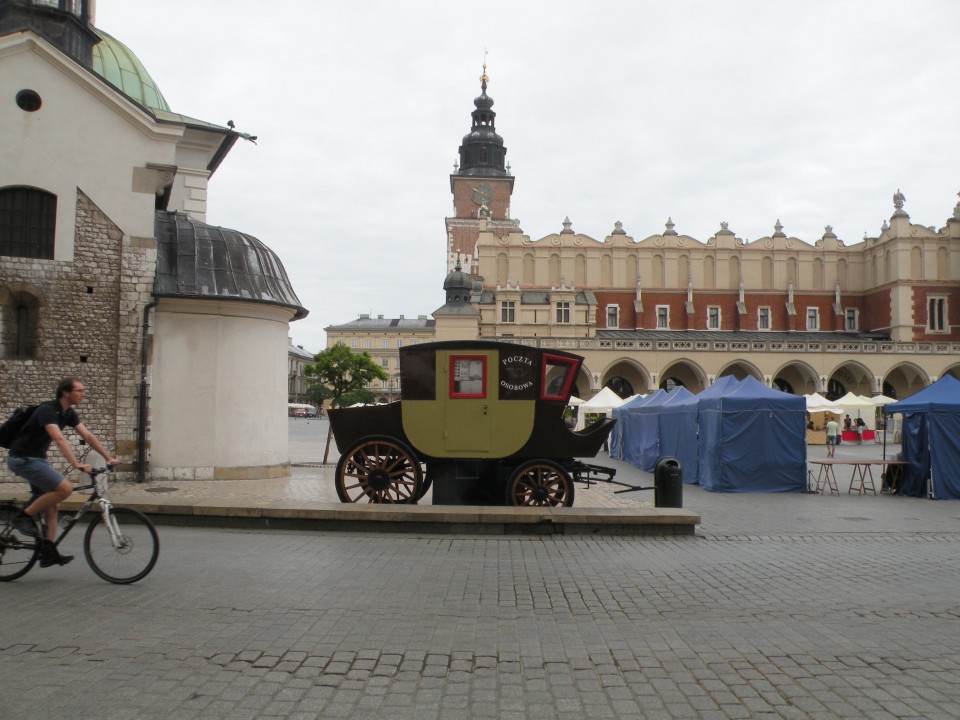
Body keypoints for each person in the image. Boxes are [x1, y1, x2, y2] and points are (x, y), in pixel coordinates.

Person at [6, 378, 119, 567]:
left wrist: (108, 458)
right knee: (64, 489)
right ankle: (23, 518)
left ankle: (48, 552)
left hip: (37, 459)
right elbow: (58, 438)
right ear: (66, 393)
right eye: (79, 390)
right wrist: (76, 464)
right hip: (23, 459)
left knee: (53, 506)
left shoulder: (68, 413)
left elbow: (88, 436)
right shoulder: (47, 410)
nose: (83, 393)